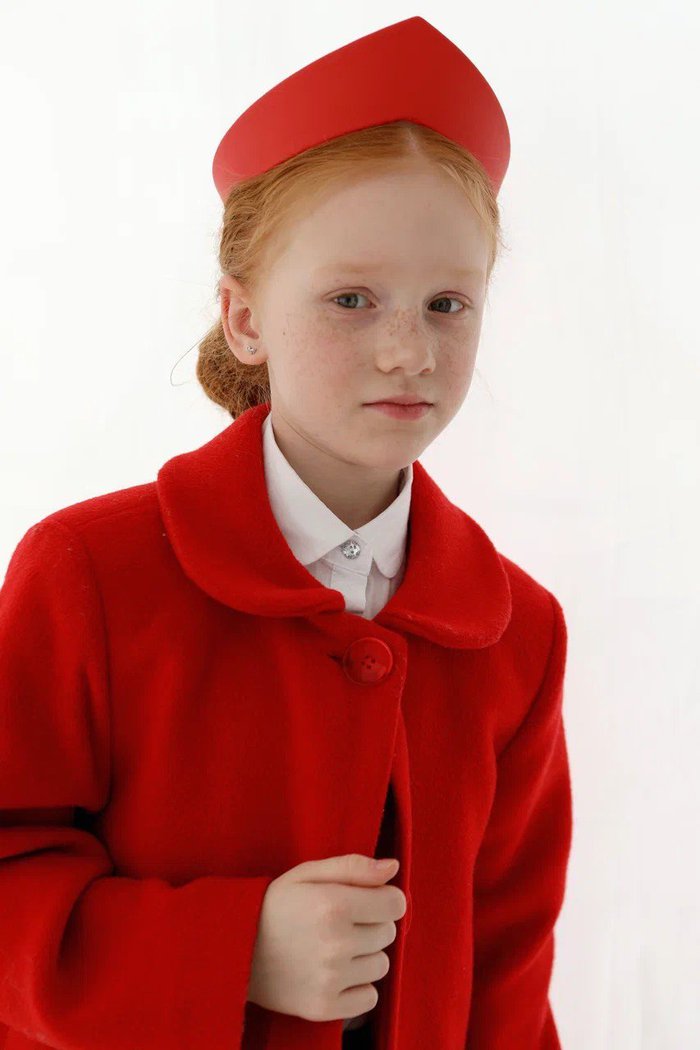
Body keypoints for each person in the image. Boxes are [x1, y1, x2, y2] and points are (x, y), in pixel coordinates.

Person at [0, 16, 573, 1050]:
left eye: (448, 303)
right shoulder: (88, 572)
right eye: (352, 299)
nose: (409, 351)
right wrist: (234, 949)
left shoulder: (517, 629)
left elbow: (509, 965)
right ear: (245, 318)